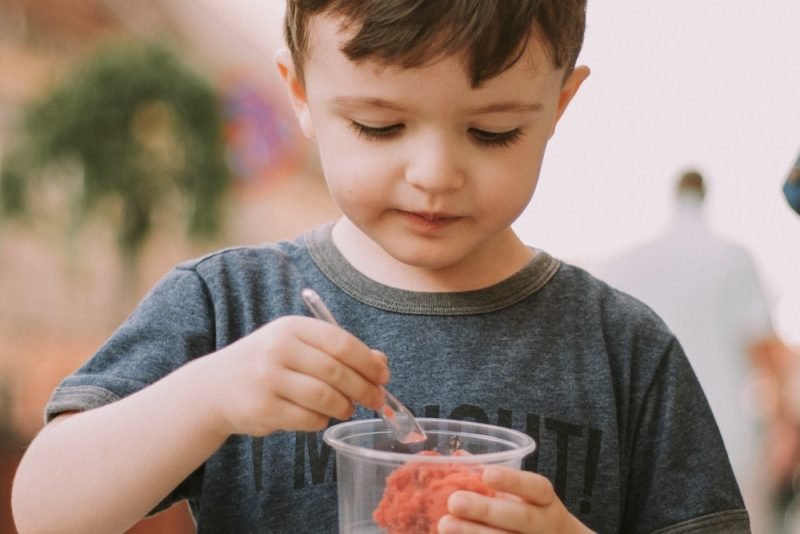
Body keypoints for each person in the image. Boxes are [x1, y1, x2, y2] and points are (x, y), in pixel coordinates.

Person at [11, 2, 749, 533]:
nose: (433, 173)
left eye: (492, 132)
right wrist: (210, 396)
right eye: (380, 125)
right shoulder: (229, 306)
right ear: (299, 93)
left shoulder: (623, 348)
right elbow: (43, 510)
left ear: (560, 103)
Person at [597, 170, 775, 530]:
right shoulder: (732, 258)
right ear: (705, 195)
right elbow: (764, 352)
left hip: (643, 437)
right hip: (726, 434)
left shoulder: (629, 263)